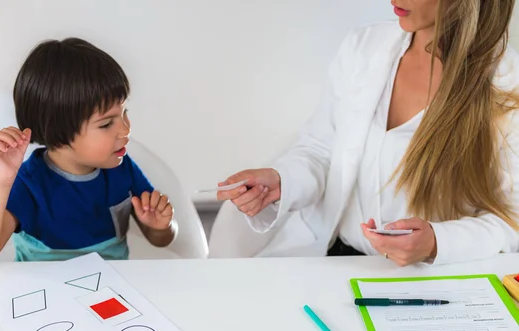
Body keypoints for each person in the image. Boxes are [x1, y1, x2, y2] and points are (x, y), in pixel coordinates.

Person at [218, 0, 519, 266]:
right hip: (332, 260)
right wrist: (284, 181)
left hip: (427, 279)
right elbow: (321, 150)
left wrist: (437, 242)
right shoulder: (363, 46)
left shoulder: (507, 84)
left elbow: (512, 221)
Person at [0, 38, 177, 264]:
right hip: (43, 291)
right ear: (58, 132)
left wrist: (161, 227)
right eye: (106, 124)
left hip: (111, 287)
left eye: (123, 114)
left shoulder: (122, 168)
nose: (125, 129)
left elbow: (162, 239)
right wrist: (1, 180)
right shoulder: (29, 183)